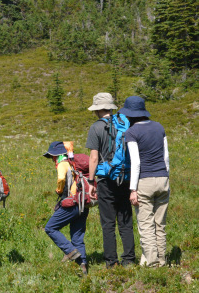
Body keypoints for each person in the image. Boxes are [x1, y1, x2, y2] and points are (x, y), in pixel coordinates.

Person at [86, 93, 136, 267]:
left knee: (108, 222)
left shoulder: (96, 128)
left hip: (106, 180)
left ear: (98, 109)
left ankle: (111, 262)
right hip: (125, 177)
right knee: (125, 221)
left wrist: (91, 182)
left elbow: (93, 158)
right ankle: (129, 260)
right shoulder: (124, 123)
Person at [123, 96, 170, 266]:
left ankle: (152, 264)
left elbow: (136, 162)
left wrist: (133, 189)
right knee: (160, 224)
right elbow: (166, 157)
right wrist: (166, 177)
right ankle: (162, 260)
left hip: (144, 182)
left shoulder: (131, 132)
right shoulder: (159, 127)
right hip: (163, 179)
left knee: (146, 225)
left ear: (130, 115)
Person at [42, 142, 90, 275]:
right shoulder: (74, 162)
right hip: (83, 203)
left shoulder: (63, 163)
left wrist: (58, 190)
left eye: (52, 156)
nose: (52, 159)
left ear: (56, 155)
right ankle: (83, 265)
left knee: (50, 228)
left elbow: (61, 178)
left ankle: (70, 251)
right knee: (77, 236)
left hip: (72, 202)